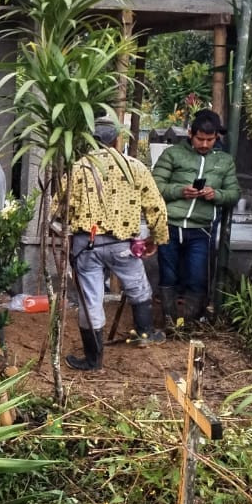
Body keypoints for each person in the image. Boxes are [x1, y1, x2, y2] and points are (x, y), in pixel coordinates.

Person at [65, 120, 170, 371]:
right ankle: (144, 334)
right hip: (123, 245)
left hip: (86, 243)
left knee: (90, 298)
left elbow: (62, 204)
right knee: (137, 286)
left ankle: (93, 360)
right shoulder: (134, 167)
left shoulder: (79, 167)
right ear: (116, 141)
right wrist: (156, 238)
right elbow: (156, 207)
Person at [150, 109, 239, 328]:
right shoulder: (173, 154)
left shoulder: (224, 161)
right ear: (191, 133)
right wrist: (180, 191)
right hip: (170, 225)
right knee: (168, 275)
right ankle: (170, 323)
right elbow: (153, 186)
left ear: (217, 137)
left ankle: (189, 325)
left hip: (202, 228)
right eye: (200, 138)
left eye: (210, 140)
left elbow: (234, 193)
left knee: (197, 277)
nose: (205, 144)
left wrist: (215, 194)